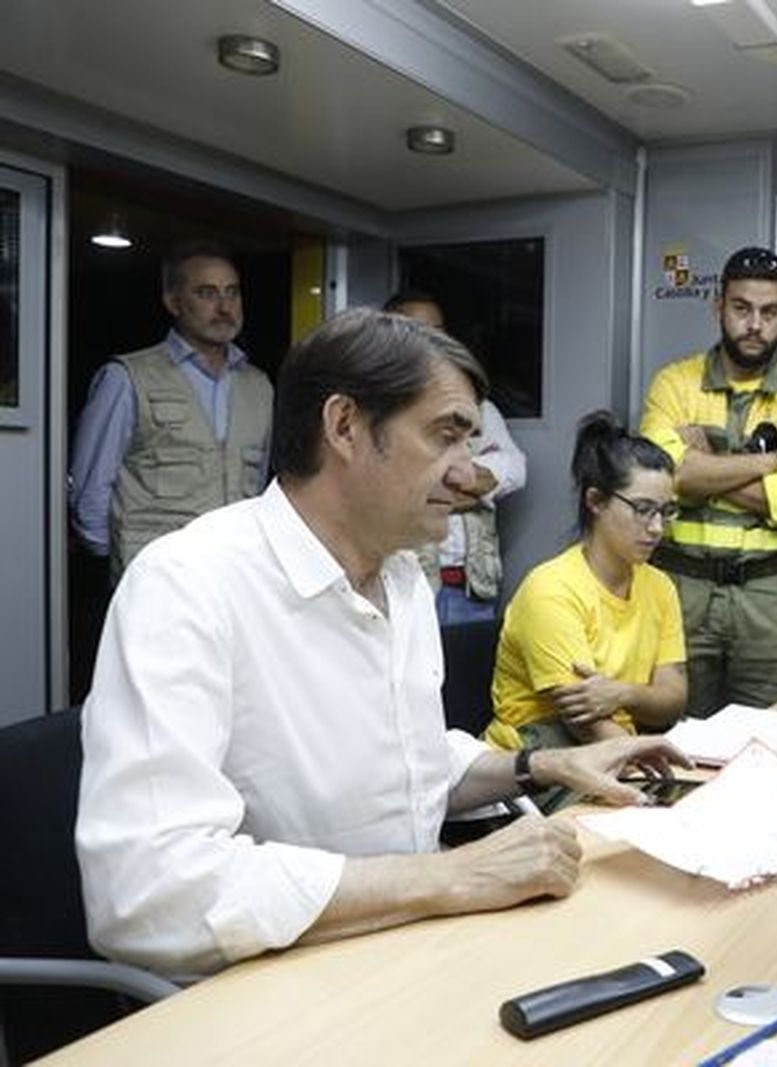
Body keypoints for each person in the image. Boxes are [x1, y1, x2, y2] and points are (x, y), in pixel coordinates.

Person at [75, 308, 688, 977]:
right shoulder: (189, 584)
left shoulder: (399, 578)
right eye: (446, 437)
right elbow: (146, 891)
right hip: (267, 982)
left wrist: (546, 766)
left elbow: (406, 766)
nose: (468, 474)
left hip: (403, 947)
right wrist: (449, 877)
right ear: (344, 425)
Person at [640, 247, 777, 717]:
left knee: (772, 744)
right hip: (680, 588)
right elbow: (665, 476)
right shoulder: (672, 384)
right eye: (741, 308)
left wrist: (704, 466)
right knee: (673, 736)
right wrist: (765, 466)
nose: (754, 324)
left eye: (769, 312)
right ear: (719, 307)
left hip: (771, 601)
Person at [488, 411, 687, 763]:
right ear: (595, 501)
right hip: (538, 756)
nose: (657, 527)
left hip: (619, 744)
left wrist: (621, 693)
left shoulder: (660, 586)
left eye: (666, 511)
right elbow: (586, 722)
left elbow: (672, 699)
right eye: (643, 509)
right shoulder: (551, 590)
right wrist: (645, 761)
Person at [68, 240, 273, 581]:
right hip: (156, 575)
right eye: (207, 293)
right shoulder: (126, 377)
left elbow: (261, 487)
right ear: (173, 302)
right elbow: (90, 489)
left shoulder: (259, 385)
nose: (225, 307)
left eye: (232, 293)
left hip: (237, 575)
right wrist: (118, 562)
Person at [383, 291, 526, 625]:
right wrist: (474, 494)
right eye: (418, 330)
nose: (432, 341)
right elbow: (390, 492)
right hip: (404, 586)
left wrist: (444, 486)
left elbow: (516, 468)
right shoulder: (381, 410)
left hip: (469, 590)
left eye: (439, 330)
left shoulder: (477, 407)